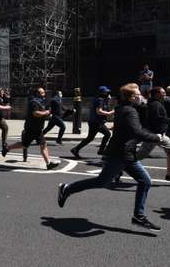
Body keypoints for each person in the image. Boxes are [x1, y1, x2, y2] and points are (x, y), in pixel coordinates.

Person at [58, 83, 163, 232]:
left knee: (144, 181)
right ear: (132, 97)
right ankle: (67, 188)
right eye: (138, 94)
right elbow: (136, 131)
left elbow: (141, 116)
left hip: (126, 153)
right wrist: (156, 137)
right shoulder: (129, 111)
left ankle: (138, 216)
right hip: (119, 154)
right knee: (102, 182)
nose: (141, 96)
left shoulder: (124, 108)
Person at [2, 88, 59, 169]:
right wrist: (45, 113)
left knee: (43, 145)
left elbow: (42, 114)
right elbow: (35, 113)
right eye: (42, 93)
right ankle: (7, 148)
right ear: (38, 94)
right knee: (24, 145)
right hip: (31, 128)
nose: (44, 95)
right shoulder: (34, 103)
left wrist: (47, 115)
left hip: (38, 129)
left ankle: (48, 164)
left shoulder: (41, 103)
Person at [137, 87, 170, 180]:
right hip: (153, 134)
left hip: (161, 134)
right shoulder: (154, 104)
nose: (165, 94)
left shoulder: (158, 103)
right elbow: (156, 117)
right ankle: (118, 167)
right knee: (139, 156)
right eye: (163, 93)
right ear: (156, 94)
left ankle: (169, 175)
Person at [71, 86, 114, 159]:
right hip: (97, 122)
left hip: (94, 122)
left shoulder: (99, 99)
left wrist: (108, 100)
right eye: (106, 92)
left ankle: (75, 149)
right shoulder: (100, 100)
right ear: (102, 93)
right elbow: (99, 111)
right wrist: (109, 113)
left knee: (90, 138)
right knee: (107, 134)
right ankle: (101, 150)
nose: (108, 93)